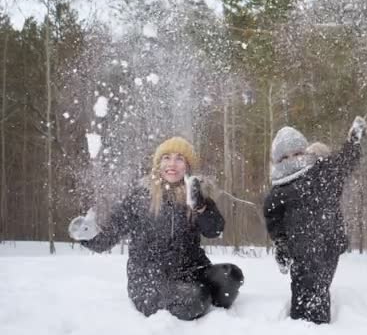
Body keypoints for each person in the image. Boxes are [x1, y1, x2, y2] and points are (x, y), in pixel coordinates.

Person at [68, 136, 244, 320]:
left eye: (179, 158)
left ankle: (210, 311)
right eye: (166, 157)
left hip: (192, 270)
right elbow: (110, 234)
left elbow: (214, 230)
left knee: (231, 276)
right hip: (149, 280)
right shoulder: (140, 197)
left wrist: (201, 207)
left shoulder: (197, 195)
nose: (172, 164)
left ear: (187, 166)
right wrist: (87, 234)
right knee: (194, 298)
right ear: (158, 164)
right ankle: (199, 302)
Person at [263, 116, 367, 324]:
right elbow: (273, 218)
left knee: (318, 286)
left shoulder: (322, 172)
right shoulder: (279, 190)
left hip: (328, 243)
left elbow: (343, 163)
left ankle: (317, 323)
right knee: (302, 287)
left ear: (306, 151)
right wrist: (281, 243)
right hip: (299, 252)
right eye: (285, 157)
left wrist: (353, 142)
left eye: (298, 153)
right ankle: (299, 322)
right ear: (277, 161)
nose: (293, 159)